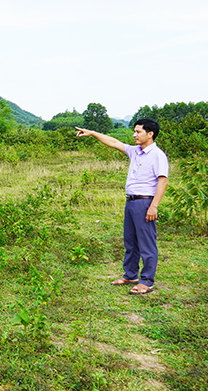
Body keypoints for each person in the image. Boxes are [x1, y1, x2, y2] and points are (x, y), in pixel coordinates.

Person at [75, 119, 168, 295]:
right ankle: (131, 275)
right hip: (131, 202)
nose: (134, 135)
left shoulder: (157, 155)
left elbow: (163, 181)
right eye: (134, 131)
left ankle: (146, 281)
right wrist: (93, 133)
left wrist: (154, 206)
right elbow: (114, 142)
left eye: (138, 132)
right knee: (130, 241)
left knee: (147, 244)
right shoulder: (135, 152)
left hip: (145, 202)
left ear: (150, 134)